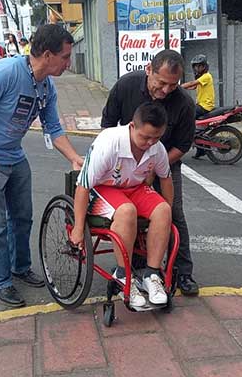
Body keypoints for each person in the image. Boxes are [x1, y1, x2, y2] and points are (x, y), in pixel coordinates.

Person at [0, 24, 84, 307]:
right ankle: (1, 281)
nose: (69, 63)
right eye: (65, 57)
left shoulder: (46, 87)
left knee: (22, 217)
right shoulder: (6, 73)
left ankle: (20, 267)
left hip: (13, 156)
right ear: (48, 55)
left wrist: (75, 158)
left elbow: (53, 127)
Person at [101, 49, 200, 296]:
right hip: (124, 161)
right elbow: (107, 125)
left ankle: (182, 271)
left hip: (166, 160)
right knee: (128, 212)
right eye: (161, 83)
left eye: (173, 85)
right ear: (149, 70)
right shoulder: (126, 86)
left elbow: (183, 145)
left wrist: (154, 164)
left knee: (171, 212)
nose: (166, 90)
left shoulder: (184, 103)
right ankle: (131, 262)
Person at [72, 103, 174, 307]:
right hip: (102, 188)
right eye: (145, 137)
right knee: (127, 211)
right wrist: (77, 228)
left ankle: (151, 275)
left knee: (163, 209)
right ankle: (122, 274)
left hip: (134, 188)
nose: (150, 142)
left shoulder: (157, 148)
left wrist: (167, 216)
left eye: (156, 137)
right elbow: (83, 186)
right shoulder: (110, 143)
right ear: (132, 126)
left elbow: (166, 179)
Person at [181, 54, 215, 158]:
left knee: (185, 116)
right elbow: (193, 86)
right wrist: (183, 89)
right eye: (195, 66)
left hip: (205, 106)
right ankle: (200, 150)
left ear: (204, 66)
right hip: (201, 105)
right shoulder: (202, 78)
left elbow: (192, 83)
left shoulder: (206, 76)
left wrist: (177, 87)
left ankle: (188, 137)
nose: (197, 68)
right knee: (196, 128)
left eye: (199, 66)